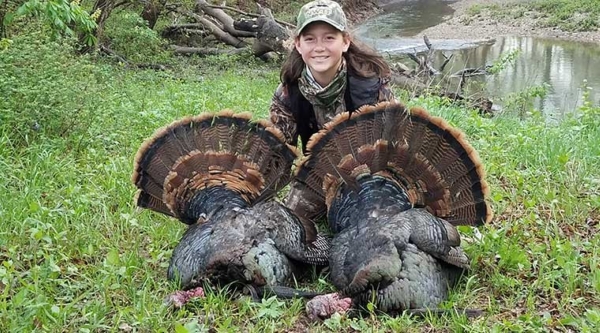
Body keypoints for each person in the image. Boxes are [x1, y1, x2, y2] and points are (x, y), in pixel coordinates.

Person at [269, 0, 396, 221]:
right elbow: (278, 154)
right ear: (298, 45)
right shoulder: (288, 94)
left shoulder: (371, 86)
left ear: (345, 42)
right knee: (291, 221)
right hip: (319, 178)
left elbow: (395, 144)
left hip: (370, 178)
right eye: (310, 39)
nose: (319, 47)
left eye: (329, 38)